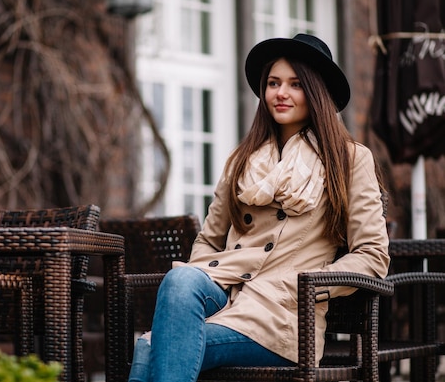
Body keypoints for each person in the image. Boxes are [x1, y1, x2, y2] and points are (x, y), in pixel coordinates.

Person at [127, 33, 390, 382]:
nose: (280, 93)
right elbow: (209, 240)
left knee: (152, 346)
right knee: (180, 279)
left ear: (316, 93)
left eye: (295, 84)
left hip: (283, 316)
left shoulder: (349, 159)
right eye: (273, 83)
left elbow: (372, 256)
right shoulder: (242, 160)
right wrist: (210, 283)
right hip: (228, 297)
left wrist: (306, 286)